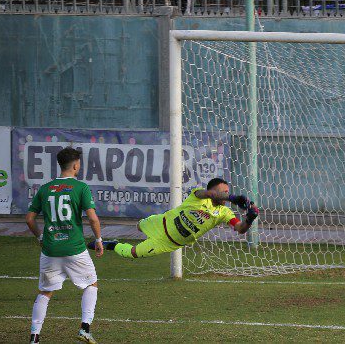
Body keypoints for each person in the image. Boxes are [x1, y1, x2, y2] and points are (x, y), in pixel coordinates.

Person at [25, 146, 103, 344]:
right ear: (76, 166)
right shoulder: (80, 187)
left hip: (50, 249)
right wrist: (99, 240)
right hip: (75, 248)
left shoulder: (45, 188)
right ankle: (85, 328)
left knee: (45, 292)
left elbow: (29, 219)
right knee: (91, 283)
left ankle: (34, 337)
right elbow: (93, 219)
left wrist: (41, 238)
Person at [103, 177, 258, 259]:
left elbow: (240, 229)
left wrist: (250, 219)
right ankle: (140, 226)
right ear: (212, 189)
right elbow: (210, 194)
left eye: (228, 192)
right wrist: (233, 198)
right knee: (138, 226)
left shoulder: (224, 213)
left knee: (133, 253)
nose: (226, 194)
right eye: (223, 191)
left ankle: (112, 245)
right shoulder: (198, 195)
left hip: (167, 243)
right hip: (160, 222)